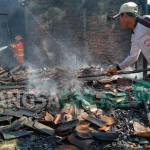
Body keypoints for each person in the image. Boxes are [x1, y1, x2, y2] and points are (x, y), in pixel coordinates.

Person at [106, 2, 150, 77]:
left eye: (120, 17)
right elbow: (133, 57)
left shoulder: (145, 21)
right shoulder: (134, 34)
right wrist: (116, 69)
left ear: (125, 15)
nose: (120, 21)